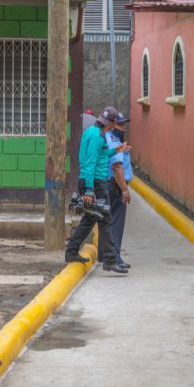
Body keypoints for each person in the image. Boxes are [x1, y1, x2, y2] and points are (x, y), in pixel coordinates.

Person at [65, 107, 132, 274]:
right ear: (112, 123)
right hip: (95, 182)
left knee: (90, 219)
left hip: (91, 180)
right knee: (106, 219)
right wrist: (89, 190)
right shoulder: (98, 137)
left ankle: (71, 251)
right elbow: (91, 163)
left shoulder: (92, 132)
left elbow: (101, 156)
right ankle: (110, 260)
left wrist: (116, 150)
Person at [98, 112, 133, 269]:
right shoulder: (112, 139)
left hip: (108, 184)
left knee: (106, 220)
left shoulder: (109, 138)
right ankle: (114, 258)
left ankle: (104, 255)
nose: (123, 127)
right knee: (115, 223)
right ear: (112, 125)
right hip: (115, 185)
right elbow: (117, 167)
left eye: (124, 124)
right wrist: (124, 190)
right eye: (120, 124)